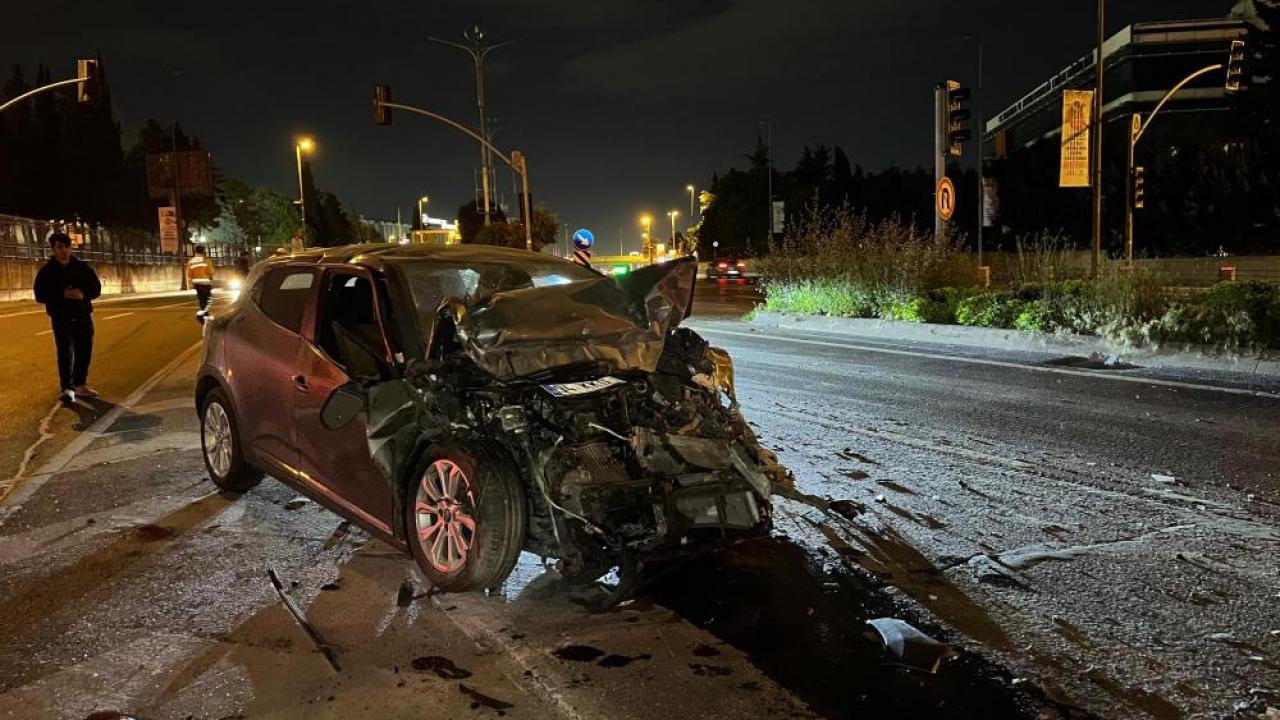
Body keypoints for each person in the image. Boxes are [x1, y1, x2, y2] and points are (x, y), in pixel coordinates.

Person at [33, 232, 102, 404]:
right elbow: (40, 295)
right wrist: (61, 294)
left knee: (84, 350)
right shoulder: (47, 272)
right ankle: (67, 388)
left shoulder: (81, 268)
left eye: (66, 247)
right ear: (53, 249)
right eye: (59, 247)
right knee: (65, 352)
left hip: (82, 315)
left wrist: (83, 294)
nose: (64, 251)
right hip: (61, 317)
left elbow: (96, 288)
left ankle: (80, 384)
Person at [187, 245, 214, 320]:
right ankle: (204, 314)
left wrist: (190, 284)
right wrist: (210, 277)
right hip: (206, 282)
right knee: (207, 299)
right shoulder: (206, 261)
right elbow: (210, 272)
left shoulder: (191, 261)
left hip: (197, 284)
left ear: (195, 251)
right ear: (203, 251)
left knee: (201, 299)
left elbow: (189, 274)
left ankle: (203, 314)